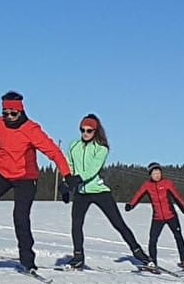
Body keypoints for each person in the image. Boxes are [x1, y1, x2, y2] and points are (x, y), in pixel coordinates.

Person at [0, 92, 75, 275]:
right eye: (5, 113)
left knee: (20, 217)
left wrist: (67, 176)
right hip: (1, 173)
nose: (9, 117)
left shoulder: (32, 130)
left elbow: (54, 152)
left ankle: (27, 260)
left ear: (21, 111)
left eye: (13, 113)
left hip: (25, 177)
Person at [62, 115, 149, 269]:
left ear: (95, 131)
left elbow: (92, 169)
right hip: (82, 192)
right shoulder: (73, 145)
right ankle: (78, 257)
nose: (85, 133)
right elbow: (68, 164)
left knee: (117, 223)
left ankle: (139, 253)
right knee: (76, 224)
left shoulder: (102, 148)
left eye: (89, 130)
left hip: (99, 191)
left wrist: (76, 180)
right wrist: (66, 182)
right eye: (82, 130)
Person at [126, 163, 184, 269]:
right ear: (150, 175)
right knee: (153, 239)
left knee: (178, 237)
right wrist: (131, 205)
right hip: (157, 218)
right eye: (154, 173)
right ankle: (153, 262)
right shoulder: (147, 185)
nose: (157, 175)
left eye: (159, 173)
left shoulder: (167, 183)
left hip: (171, 216)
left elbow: (177, 197)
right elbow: (138, 195)